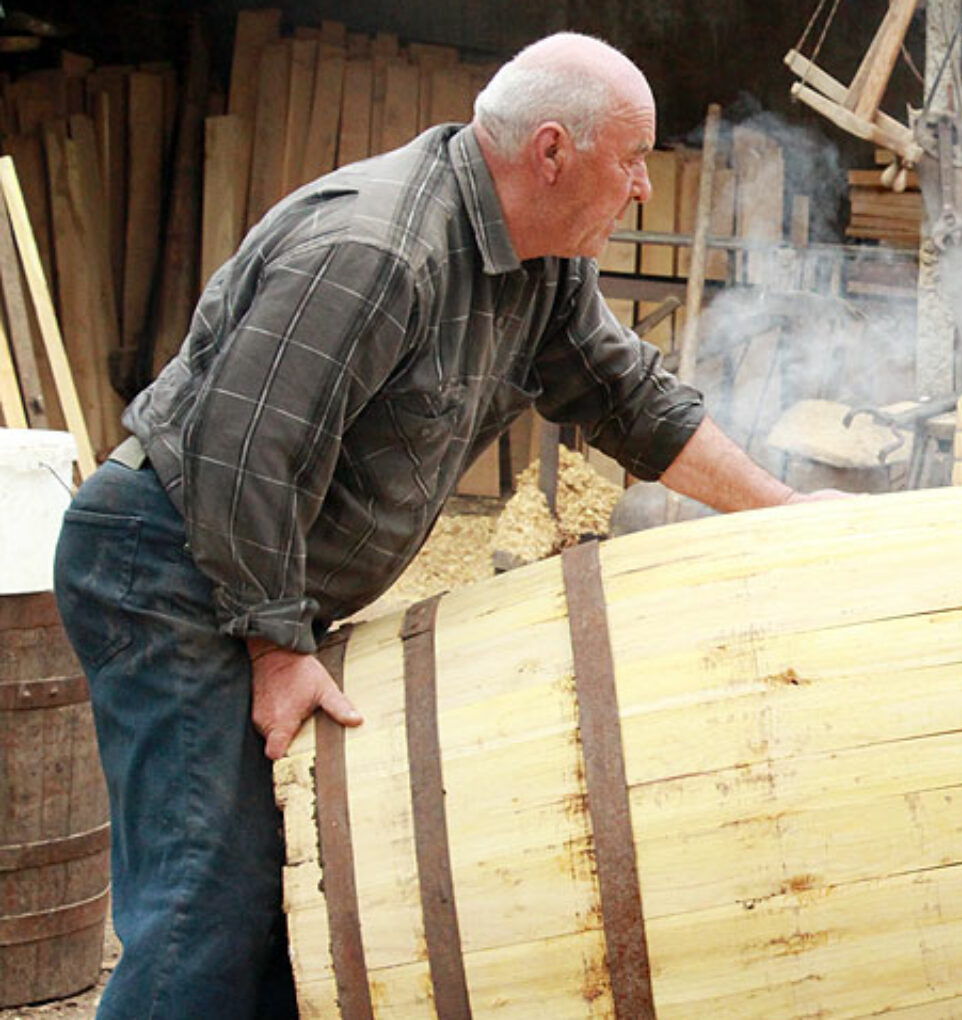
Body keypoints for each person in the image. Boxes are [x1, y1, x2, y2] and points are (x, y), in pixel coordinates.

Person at [53, 33, 832, 1017]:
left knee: (286, 905)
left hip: (244, 564)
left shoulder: (537, 261)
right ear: (551, 153)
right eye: (631, 158)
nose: (643, 186)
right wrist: (278, 646)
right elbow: (245, 456)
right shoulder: (376, 249)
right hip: (166, 562)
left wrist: (786, 515)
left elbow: (625, 395)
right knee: (208, 895)